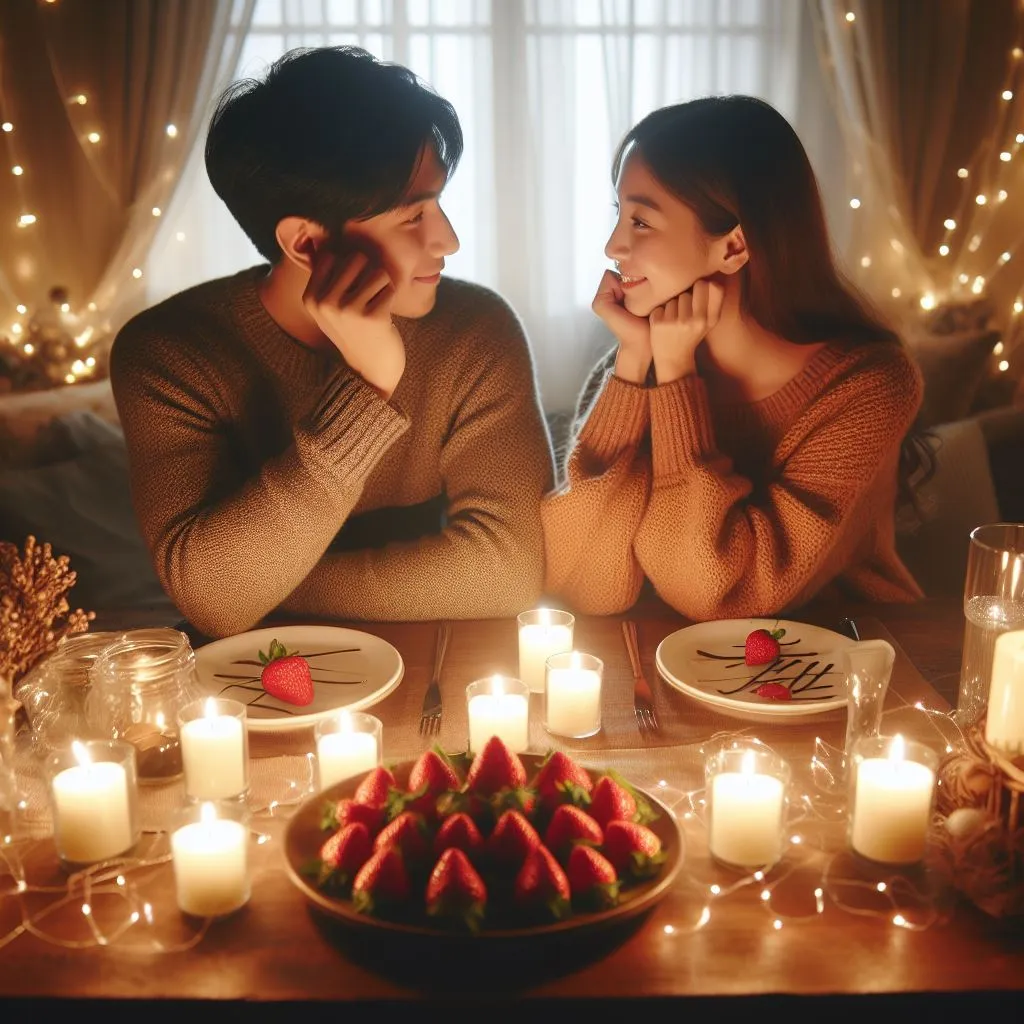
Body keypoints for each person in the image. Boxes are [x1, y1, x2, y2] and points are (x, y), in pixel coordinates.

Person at [110, 46, 553, 639]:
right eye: (412, 217)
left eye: (440, 203)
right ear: (307, 245)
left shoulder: (475, 329)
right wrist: (370, 387)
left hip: (435, 665)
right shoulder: (170, 353)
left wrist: (263, 589)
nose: (448, 240)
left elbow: (510, 570)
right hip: (256, 682)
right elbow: (213, 602)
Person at [541, 95, 928, 620]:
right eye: (619, 216)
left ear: (733, 247)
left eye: (641, 222)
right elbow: (581, 586)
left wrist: (676, 381)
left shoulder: (867, 386)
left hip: (851, 660)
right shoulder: (635, 361)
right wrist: (634, 364)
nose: (613, 246)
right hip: (676, 669)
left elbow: (719, 595)